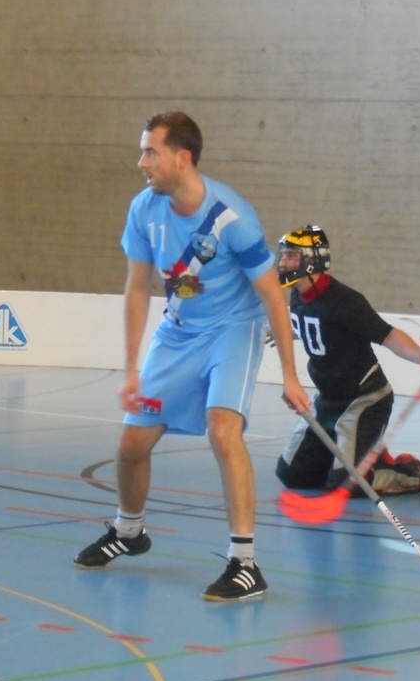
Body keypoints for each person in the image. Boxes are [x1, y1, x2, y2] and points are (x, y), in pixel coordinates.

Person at [73, 111, 309, 601]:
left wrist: (291, 375)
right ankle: (129, 531)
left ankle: (245, 564)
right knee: (131, 445)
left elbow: (272, 296)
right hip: (178, 334)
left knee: (223, 431)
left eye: (151, 152)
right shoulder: (144, 209)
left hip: (233, 329)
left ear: (182, 158)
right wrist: (131, 368)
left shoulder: (232, 218)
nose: (141, 162)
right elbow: (138, 287)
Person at [274, 225, 420, 497]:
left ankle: (407, 471)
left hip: (364, 399)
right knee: (292, 474)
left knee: (348, 484)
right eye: (283, 254)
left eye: (291, 255)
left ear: (313, 259)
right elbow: (317, 324)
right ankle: (359, 457)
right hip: (327, 400)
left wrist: (418, 355)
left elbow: (387, 334)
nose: (284, 262)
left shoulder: (345, 301)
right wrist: (286, 331)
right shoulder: (298, 294)